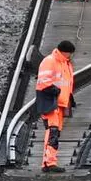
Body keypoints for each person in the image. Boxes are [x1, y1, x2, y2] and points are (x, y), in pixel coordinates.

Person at [35, 39, 76, 173]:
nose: (70, 56)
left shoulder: (65, 63)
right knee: (52, 132)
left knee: (55, 132)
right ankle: (49, 163)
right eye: (69, 54)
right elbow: (43, 81)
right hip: (51, 102)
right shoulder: (50, 61)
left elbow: (67, 83)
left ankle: (49, 162)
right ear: (64, 52)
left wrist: (68, 99)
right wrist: (56, 91)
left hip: (60, 103)